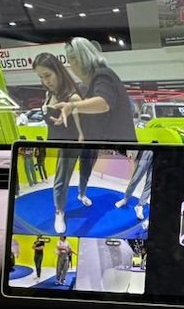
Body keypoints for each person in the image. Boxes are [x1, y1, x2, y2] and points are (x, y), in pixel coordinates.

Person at [52, 37, 136, 232]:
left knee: (84, 168)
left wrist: (72, 106)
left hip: (102, 141)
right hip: (82, 140)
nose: (70, 65)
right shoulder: (86, 85)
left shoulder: (102, 76)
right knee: (64, 175)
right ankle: (60, 209)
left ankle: (80, 195)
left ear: (80, 59)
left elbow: (103, 103)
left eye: (71, 60)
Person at [33, 52, 84, 235]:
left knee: (61, 181)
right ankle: (78, 196)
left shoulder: (72, 98)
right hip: (53, 145)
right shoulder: (49, 94)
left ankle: (60, 211)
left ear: (58, 72)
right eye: (41, 77)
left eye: (48, 75)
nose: (45, 81)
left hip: (69, 145)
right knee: (60, 180)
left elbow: (82, 131)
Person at [115, 148, 154, 225]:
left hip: (159, 152)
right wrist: (130, 152)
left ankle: (140, 205)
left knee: (150, 182)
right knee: (136, 178)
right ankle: (125, 199)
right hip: (147, 150)